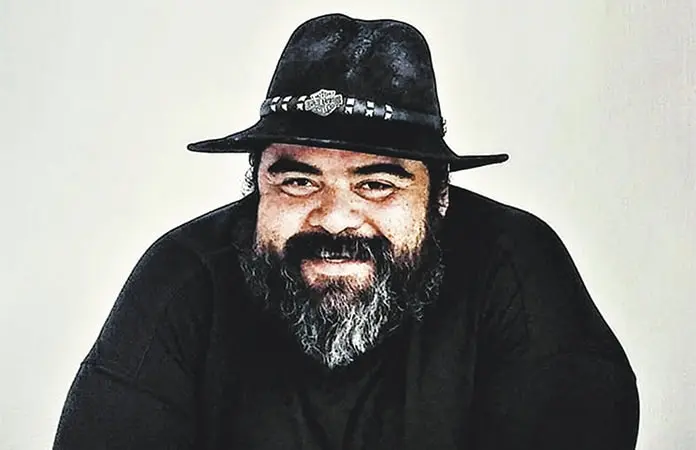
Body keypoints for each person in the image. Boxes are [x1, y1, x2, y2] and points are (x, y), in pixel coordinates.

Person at [53, 13, 639, 450]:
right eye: (298, 182)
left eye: (377, 184)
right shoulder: (184, 278)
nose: (335, 218)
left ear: (439, 198)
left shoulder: (515, 269)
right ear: (256, 185)